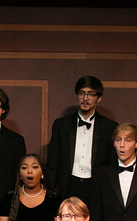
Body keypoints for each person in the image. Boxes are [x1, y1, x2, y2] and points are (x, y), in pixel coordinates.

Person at [47, 76, 119, 205]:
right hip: (67, 186)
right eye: (82, 93)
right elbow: (53, 160)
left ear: (99, 98)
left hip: (96, 187)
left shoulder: (110, 127)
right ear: (76, 95)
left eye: (91, 94)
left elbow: (112, 163)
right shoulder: (61, 125)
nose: (85, 98)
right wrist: (52, 189)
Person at [0, 153, 58, 221]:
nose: (29, 171)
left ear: (42, 173)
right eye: (24, 168)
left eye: (35, 167)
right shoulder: (9, 198)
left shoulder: (54, 198)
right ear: (20, 175)